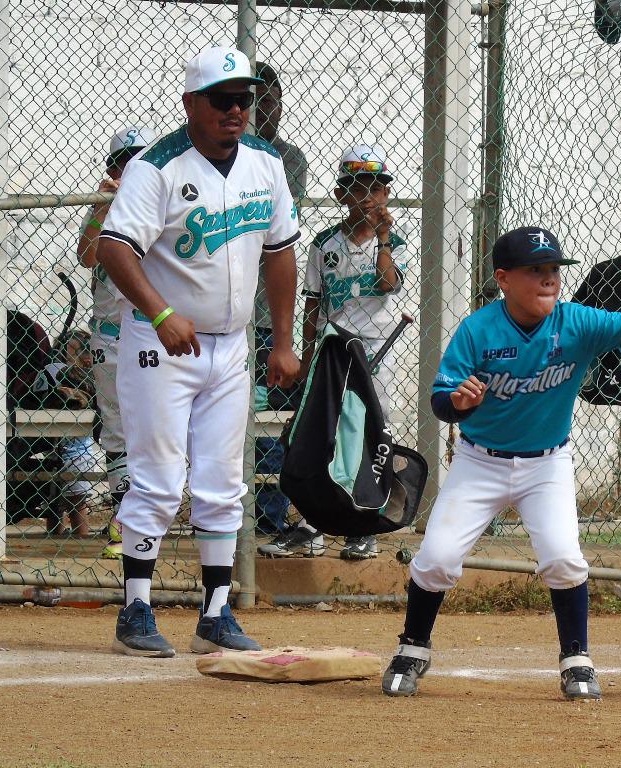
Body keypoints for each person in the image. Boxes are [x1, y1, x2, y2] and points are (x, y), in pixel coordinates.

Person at [97, 45, 302, 657]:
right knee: (159, 479)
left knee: (222, 481)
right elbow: (114, 247)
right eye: (222, 99)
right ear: (191, 103)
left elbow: (281, 253)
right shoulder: (156, 167)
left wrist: (284, 340)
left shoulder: (266, 163)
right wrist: (160, 312)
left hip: (231, 345)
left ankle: (215, 614)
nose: (236, 109)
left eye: (244, 99)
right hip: (161, 343)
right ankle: (136, 609)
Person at [381, 226, 621, 700]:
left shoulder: (576, 321)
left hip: (547, 465)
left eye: (554, 269)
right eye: (535, 270)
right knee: (436, 559)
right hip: (480, 463)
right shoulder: (479, 329)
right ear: (503, 278)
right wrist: (460, 402)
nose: (549, 278)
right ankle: (412, 647)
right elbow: (441, 401)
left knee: (563, 558)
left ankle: (577, 659)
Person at [257, 144, 404, 561]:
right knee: (321, 432)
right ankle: (312, 525)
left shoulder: (395, 242)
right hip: (332, 349)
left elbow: (388, 283)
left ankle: (365, 524)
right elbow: (312, 304)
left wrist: (383, 238)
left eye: (375, 189)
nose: (367, 198)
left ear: (385, 195)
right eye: (357, 188)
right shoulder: (324, 243)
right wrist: (305, 358)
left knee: (371, 433)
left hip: (375, 351)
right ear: (341, 195)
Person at [77, 124, 157, 559]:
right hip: (110, 335)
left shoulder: (162, 203)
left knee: (157, 427)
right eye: (125, 163)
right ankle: (126, 517)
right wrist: (102, 206)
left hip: (153, 330)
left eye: (141, 160)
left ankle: (151, 513)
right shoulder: (105, 208)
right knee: (117, 429)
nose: (133, 169)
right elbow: (87, 256)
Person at [250, 61, 309, 539]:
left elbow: (275, 227)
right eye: (257, 104)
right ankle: (231, 514)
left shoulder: (287, 159)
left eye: (272, 102)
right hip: (226, 314)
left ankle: (268, 516)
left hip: (268, 315)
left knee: (271, 415)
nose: (265, 112)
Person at [32, 329, 97, 538]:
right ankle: (68, 536)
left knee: (70, 502)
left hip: (69, 451)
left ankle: (74, 536)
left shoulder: (82, 377)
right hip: (64, 450)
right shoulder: (58, 373)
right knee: (64, 502)